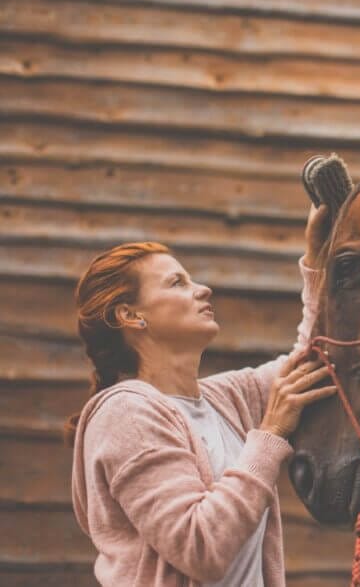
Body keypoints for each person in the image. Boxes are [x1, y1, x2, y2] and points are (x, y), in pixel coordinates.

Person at [67, 204, 336, 586]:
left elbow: (313, 355)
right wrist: (271, 433)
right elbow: (201, 547)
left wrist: (318, 260)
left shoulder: (226, 400)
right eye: (177, 283)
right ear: (130, 315)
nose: (203, 289)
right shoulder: (126, 414)